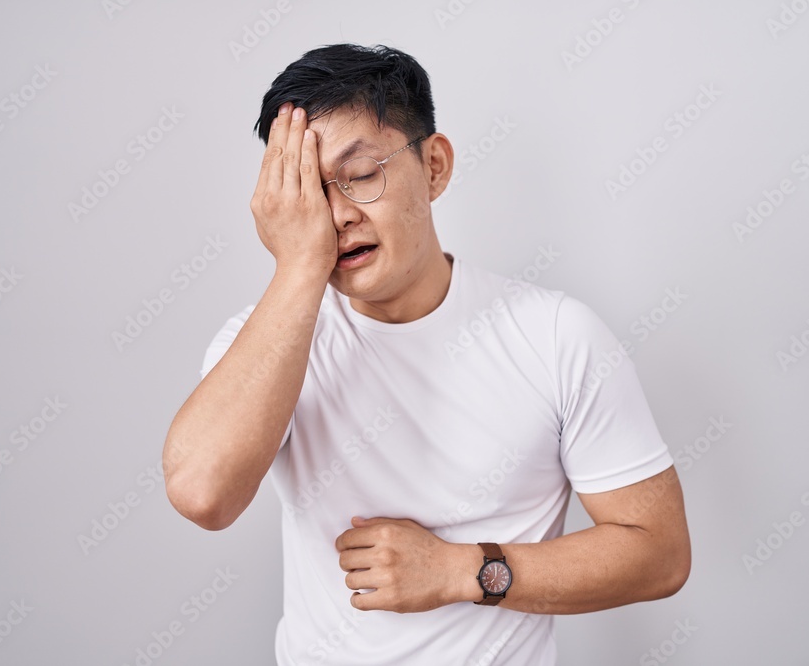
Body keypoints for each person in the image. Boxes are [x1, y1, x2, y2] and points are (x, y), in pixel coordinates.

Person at [163, 43, 691, 665]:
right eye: (308, 190)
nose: (335, 216)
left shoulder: (556, 336)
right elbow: (203, 495)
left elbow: (659, 553)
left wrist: (461, 571)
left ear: (434, 166)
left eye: (361, 175)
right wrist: (301, 263)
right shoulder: (263, 342)